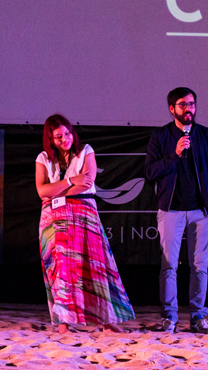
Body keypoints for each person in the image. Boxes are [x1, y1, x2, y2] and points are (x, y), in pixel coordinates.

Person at [35, 114, 135, 333]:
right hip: (53, 218)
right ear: (51, 139)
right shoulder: (43, 158)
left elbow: (87, 183)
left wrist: (56, 190)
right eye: (58, 137)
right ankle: (63, 322)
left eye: (67, 133)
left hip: (84, 213)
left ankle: (105, 321)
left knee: (95, 265)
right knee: (61, 268)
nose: (65, 139)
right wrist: (71, 180)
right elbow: (42, 190)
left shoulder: (85, 151)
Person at [144, 87, 208, 333]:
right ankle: (169, 316)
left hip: (201, 211)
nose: (188, 109)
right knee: (169, 266)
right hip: (171, 210)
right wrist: (175, 154)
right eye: (183, 104)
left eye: (191, 104)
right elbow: (150, 172)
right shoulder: (161, 137)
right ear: (172, 109)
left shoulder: (207, 136)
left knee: (200, 266)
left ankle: (198, 316)